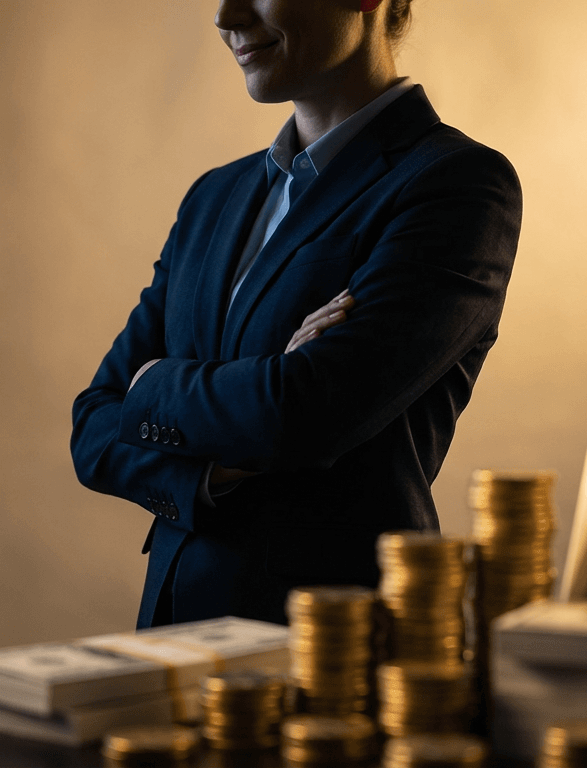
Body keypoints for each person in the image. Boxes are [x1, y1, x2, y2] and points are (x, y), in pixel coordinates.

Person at [69, 0, 522, 628]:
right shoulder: (212, 198)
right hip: (170, 637)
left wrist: (153, 387)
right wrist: (230, 451)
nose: (226, 16)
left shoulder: (457, 184)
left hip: (330, 644)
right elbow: (92, 426)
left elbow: (304, 411)